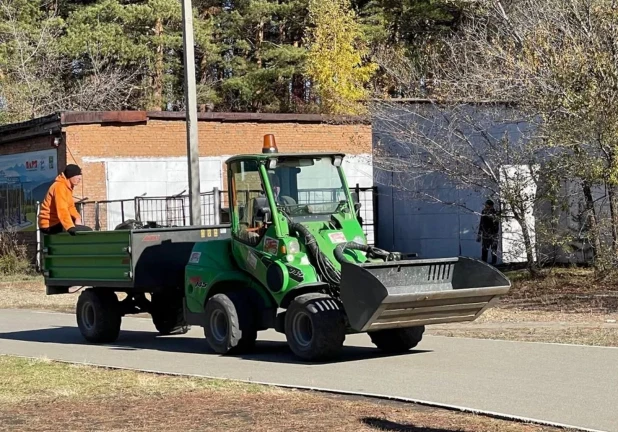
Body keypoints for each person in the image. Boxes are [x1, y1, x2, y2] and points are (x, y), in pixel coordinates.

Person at [38, 164, 92, 235]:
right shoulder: (59, 187)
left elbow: (70, 207)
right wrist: (70, 227)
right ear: (70, 176)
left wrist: (77, 217)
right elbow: (62, 209)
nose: (79, 178)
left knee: (83, 229)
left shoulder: (67, 187)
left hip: (56, 222)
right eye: (77, 175)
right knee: (87, 231)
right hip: (49, 224)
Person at [477, 199, 500, 265]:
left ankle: (494, 264)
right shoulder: (483, 212)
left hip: (493, 235)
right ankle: (484, 264)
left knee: (493, 251)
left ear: (491, 206)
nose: (486, 207)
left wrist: (494, 234)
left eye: (487, 206)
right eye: (486, 205)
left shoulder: (495, 213)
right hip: (485, 235)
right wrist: (479, 233)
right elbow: (481, 223)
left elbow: (496, 225)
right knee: (484, 250)